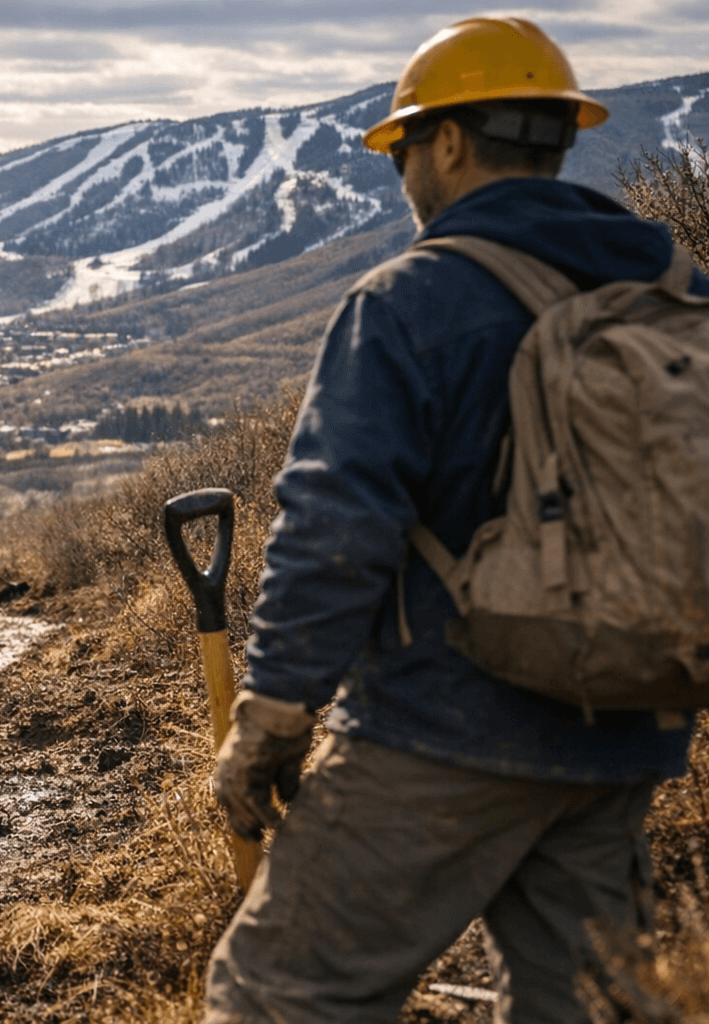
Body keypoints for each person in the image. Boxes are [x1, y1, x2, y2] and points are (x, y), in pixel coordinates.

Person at [201, 18, 703, 1022]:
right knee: (594, 1007)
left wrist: (270, 719)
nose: (404, 179)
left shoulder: (410, 300)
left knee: (275, 995)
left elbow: (333, 530)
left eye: (404, 152)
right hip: (628, 728)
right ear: (559, 140)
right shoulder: (672, 287)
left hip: (442, 729)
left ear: (450, 144)